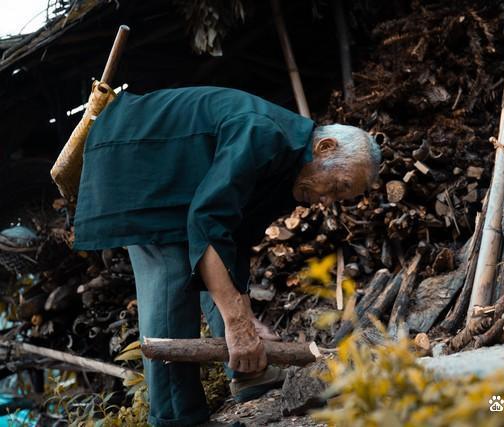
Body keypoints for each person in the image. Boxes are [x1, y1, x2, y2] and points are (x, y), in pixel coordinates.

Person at [72, 86, 381, 426]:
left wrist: (244, 315)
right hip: (134, 153)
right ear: (324, 147)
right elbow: (207, 220)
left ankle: (248, 373)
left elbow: (233, 238)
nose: (327, 200)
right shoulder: (262, 134)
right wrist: (235, 324)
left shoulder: (290, 171)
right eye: (336, 187)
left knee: (217, 256)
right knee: (172, 274)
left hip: (166, 164)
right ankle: (176, 418)